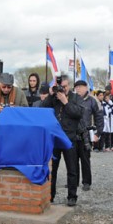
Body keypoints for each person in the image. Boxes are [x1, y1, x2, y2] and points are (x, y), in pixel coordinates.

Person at [40, 73, 83, 206]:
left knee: (72, 168)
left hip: (70, 137)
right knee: (53, 169)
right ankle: (50, 195)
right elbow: (42, 109)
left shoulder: (75, 97)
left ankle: (72, 196)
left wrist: (65, 101)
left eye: (64, 87)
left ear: (68, 85)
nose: (62, 90)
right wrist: (51, 94)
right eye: (60, 87)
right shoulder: (54, 98)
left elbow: (78, 113)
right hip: (54, 138)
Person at [73, 80, 104, 191]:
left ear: (86, 87)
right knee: (73, 160)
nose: (78, 89)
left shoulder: (92, 101)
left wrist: (98, 133)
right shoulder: (72, 99)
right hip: (73, 134)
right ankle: (73, 181)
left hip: (85, 135)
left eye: (80, 87)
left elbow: (99, 117)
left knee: (85, 159)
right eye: (76, 87)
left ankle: (86, 182)